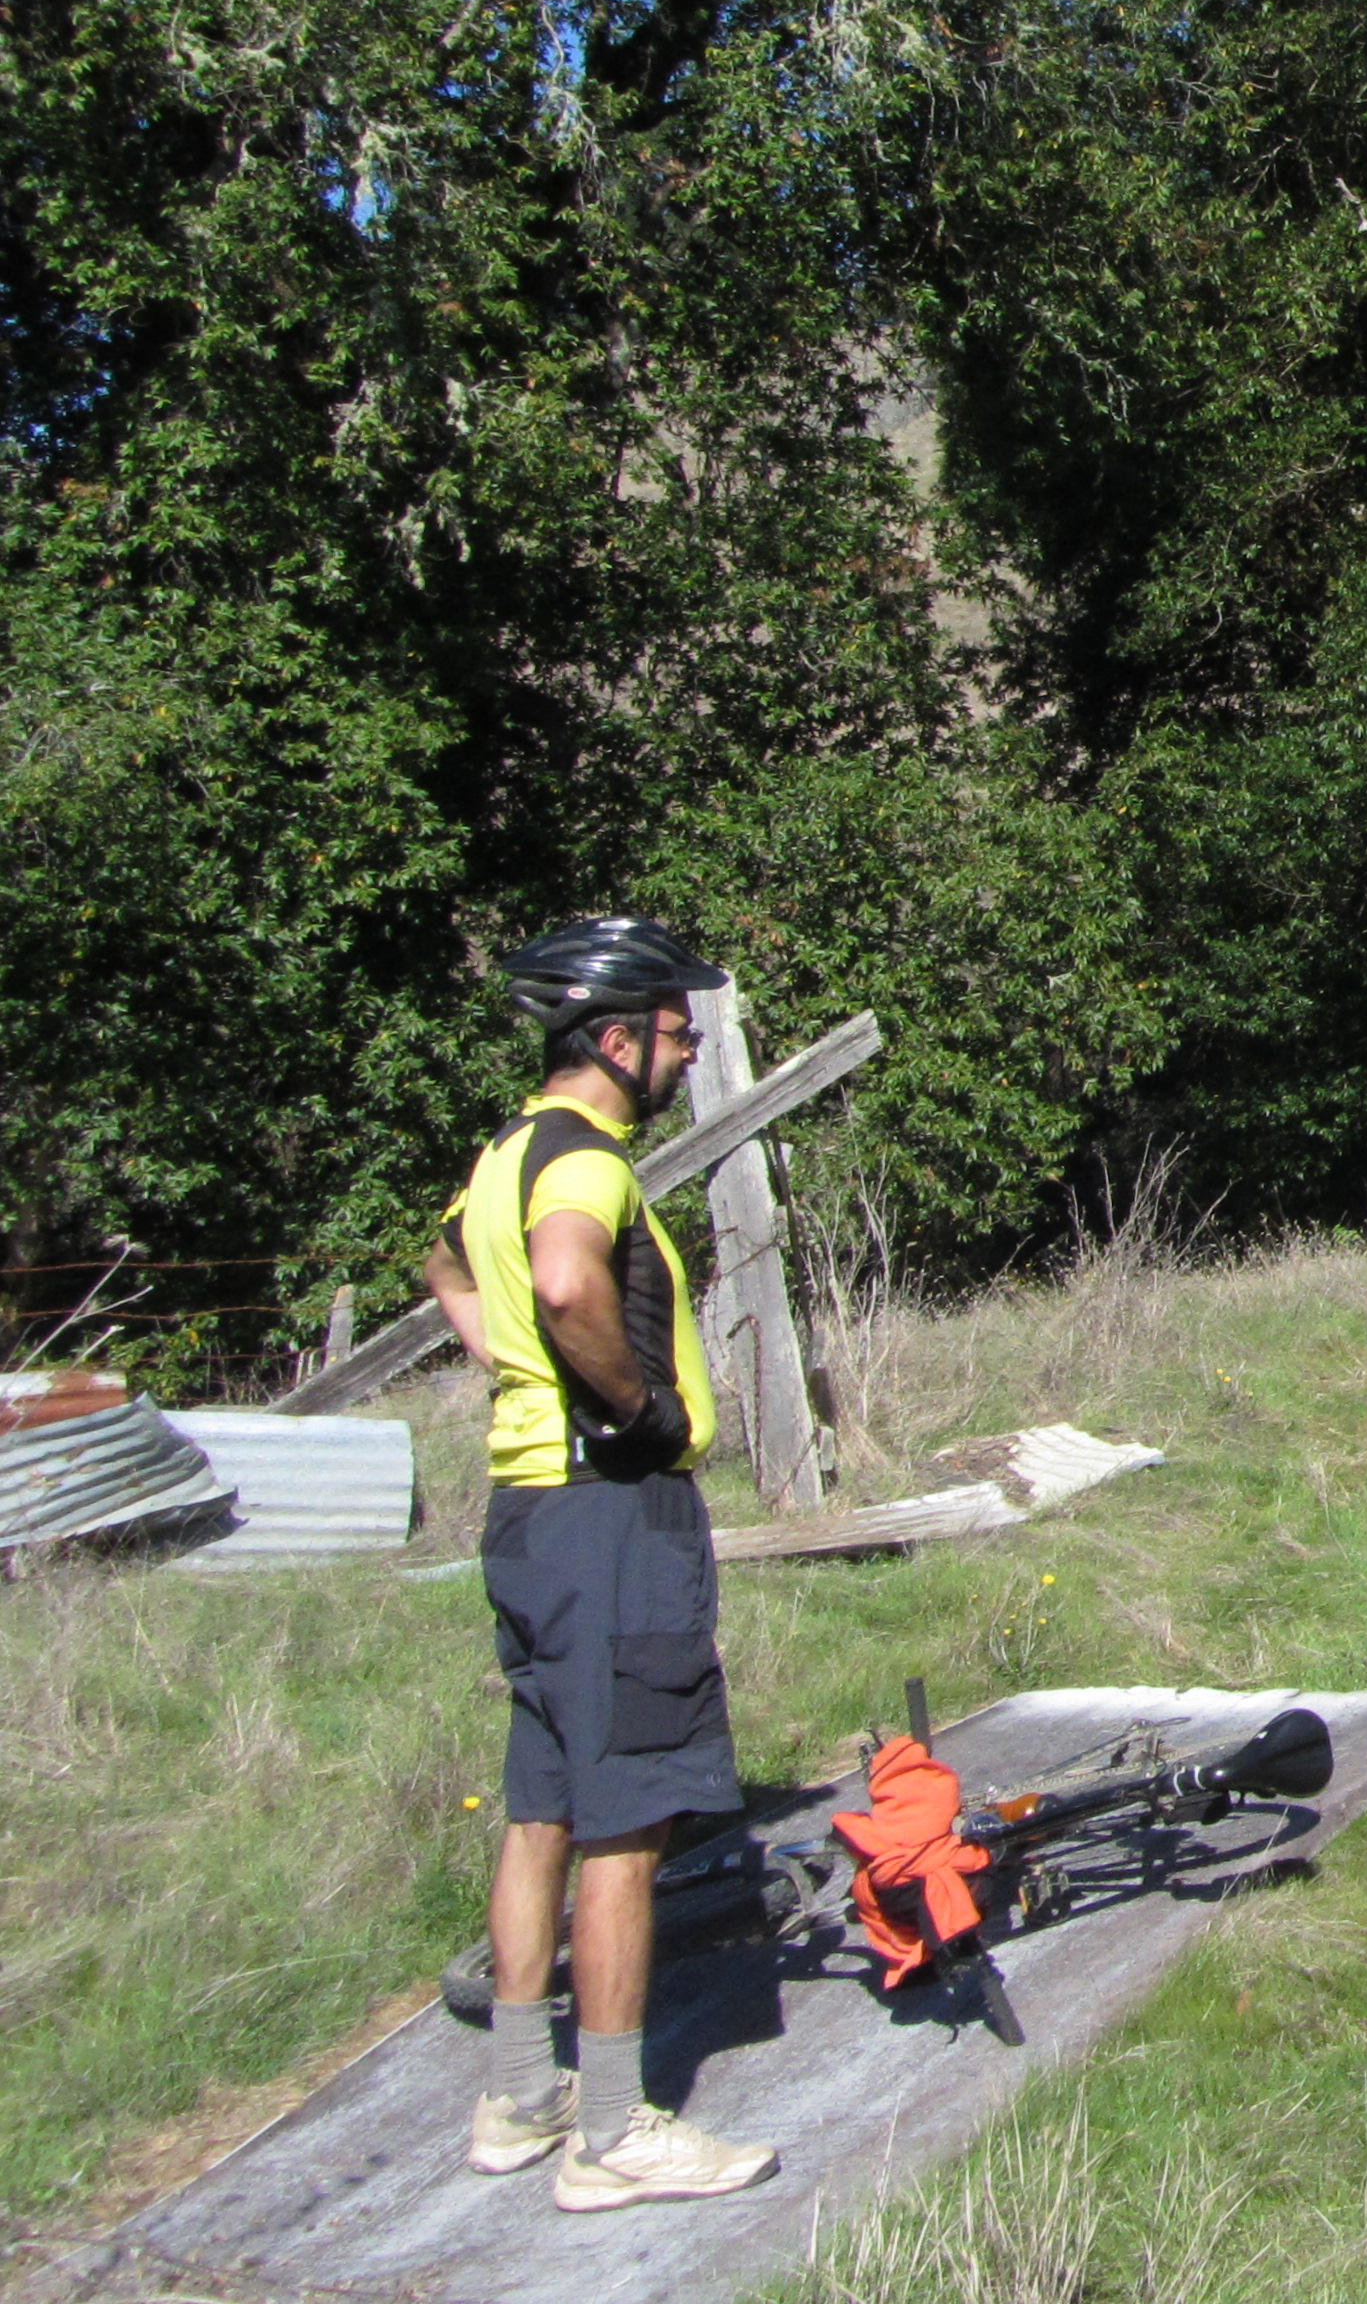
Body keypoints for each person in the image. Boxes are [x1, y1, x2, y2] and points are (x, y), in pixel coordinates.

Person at [418, 917, 779, 2212]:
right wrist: (636, 1411)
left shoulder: (505, 1154)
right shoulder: (584, 1160)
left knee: (544, 1808)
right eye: (678, 1034)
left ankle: (522, 2096)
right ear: (617, 1038)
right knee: (627, 1820)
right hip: (610, 1516)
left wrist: (516, 1368)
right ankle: (615, 2134)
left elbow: (449, 1264)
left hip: (527, 1516)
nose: (686, 1055)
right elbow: (570, 1284)